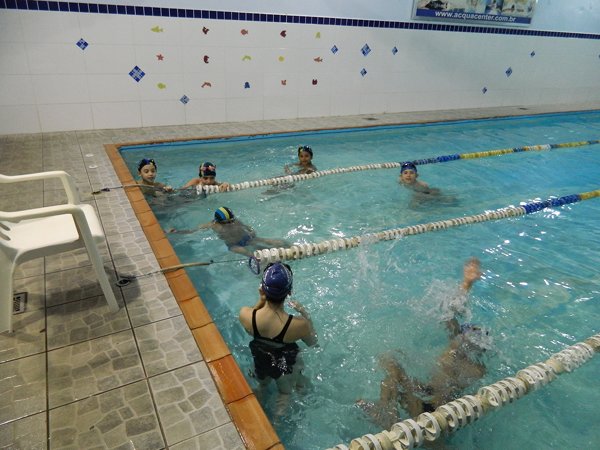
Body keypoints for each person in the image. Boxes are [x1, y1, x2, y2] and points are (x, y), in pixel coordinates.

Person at [359, 258, 488, 429]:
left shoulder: (476, 369)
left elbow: (452, 395)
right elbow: (451, 315)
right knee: (391, 359)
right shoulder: (455, 349)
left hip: (436, 412)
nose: (463, 339)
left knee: (394, 367)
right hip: (426, 393)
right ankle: (386, 411)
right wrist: (466, 284)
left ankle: (388, 414)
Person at [239, 262, 318, 415]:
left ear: (262, 288)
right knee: (285, 393)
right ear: (289, 293)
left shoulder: (245, 314)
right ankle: (276, 425)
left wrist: (261, 301)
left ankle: (256, 414)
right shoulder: (299, 325)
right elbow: (313, 343)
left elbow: (249, 329)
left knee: (261, 385)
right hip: (285, 363)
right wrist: (305, 314)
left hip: (260, 357)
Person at [169, 207, 290, 257]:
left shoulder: (234, 220)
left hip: (246, 238)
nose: (231, 223)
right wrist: (178, 232)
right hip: (234, 245)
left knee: (267, 241)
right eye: (228, 222)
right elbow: (193, 231)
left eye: (232, 221)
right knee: (249, 254)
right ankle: (261, 259)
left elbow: (247, 227)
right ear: (219, 221)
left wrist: (251, 231)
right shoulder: (212, 225)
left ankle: (289, 246)